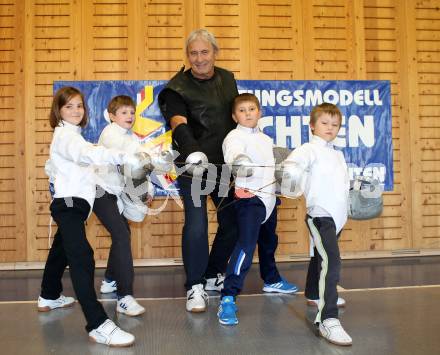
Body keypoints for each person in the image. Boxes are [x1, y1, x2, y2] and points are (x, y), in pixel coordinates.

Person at [37, 87, 136, 347]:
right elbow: (88, 154)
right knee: (82, 257)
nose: (76, 110)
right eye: (68, 106)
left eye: (79, 105)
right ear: (58, 110)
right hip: (68, 207)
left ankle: (48, 295)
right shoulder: (67, 136)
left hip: (74, 207)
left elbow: (71, 162)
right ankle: (98, 324)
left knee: (60, 251)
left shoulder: (72, 136)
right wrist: (125, 156)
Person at [158, 29, 239, 312]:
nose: (199, 58)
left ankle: (211, 274)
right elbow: (178, 122)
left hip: (223, 164)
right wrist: (193, 150)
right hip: (192, 165)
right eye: (193, 53)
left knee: (235, 222)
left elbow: (236, 116)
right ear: (187, 56)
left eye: (205, 52)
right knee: (197, 224)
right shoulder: (176, 87)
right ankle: (194, 286)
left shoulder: (228, 79)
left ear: (215, 53)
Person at [217, 93, 298, 326]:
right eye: (242, 110)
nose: (248, 113)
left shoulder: (264, 139)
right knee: (245, 245)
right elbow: (233, 154)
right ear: (234, 116)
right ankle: (229, 296)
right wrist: (239, 161)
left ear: (259, 112)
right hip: (249, 199)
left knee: (269, 242)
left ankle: (271, 279)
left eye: (252, 109)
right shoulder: (234, 137)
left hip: (270, 198)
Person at [280, 103, 352, 346]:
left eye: (334, 125)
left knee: (320, 257)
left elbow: (340, 184)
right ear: (312, 125)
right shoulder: (307, 149)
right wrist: (290, 174)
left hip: (337, 215)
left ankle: (313, 293)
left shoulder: (337, 154)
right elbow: (291, 166)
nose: (330, 128)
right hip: (320, 215)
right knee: (330, 261)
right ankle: (327, 319)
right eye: (324, 123)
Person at [94, 95, 150, 316]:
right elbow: (129, 159)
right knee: (121, 235)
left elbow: (138, 171)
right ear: (111, 116)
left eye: (132, 112)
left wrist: (146, 191)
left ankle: (109, 280)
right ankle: (124, 297)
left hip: (116, 192)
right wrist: (145, 159)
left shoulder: (131, 137)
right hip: (99, 190)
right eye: (124, 112)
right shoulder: (110, 134)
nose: (130, 116)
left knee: (122, 233)